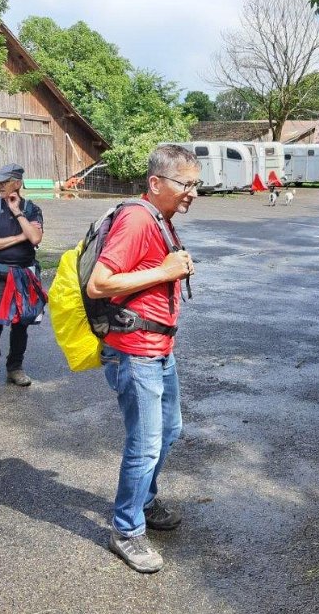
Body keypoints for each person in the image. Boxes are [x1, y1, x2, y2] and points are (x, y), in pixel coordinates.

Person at [86, 144, 200, 573]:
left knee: (170, 430)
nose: (192, 192)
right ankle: (126, 531)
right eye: (185, 183)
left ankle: (144, 501)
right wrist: (166, 271)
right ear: (155, 183)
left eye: (196, 183)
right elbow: (100, 283)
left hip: (158, 350)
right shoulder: (137, 218)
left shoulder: (160, 219)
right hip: (134, 353)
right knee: (145, 443)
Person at [0, 163, 44, 399]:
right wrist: (18, 237)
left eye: (5, 181)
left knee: (20, 325)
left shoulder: (32, 209)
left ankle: (15, 368)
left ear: (18, 183)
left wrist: (17, 212)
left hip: (24, 276)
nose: (0, 185)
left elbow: (34, 238)